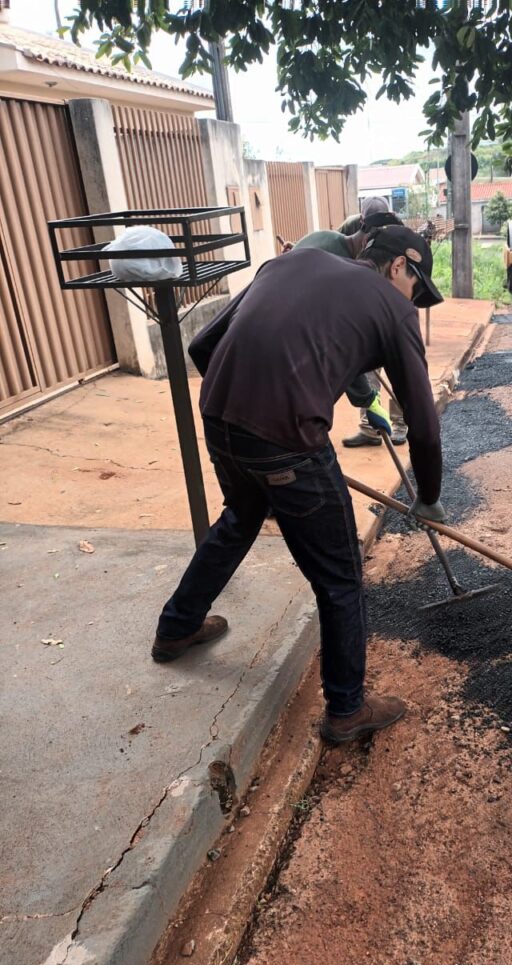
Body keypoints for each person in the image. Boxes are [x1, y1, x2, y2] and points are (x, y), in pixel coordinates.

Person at [151, 225, 446, 745]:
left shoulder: (289, 262)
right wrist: (428, 497)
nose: (413, 301)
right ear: (400, 264)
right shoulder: (393, 308)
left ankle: (177, 628)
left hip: (219, 420)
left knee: (241, 518)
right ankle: (347, 710)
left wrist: (247, 418)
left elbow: (202, 345)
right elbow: (423, 423)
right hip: (287, 442)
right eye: (416, 288)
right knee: (340, 576)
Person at [289, 197, 410, 447]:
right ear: (363, 222)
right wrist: (366, 398)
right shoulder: (349, 233)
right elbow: (342, 347)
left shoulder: (395, 232)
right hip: (350, 301)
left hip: (387, 297)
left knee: (397, 361)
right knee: (365, 363)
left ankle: (400, 421)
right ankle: (370, 428)